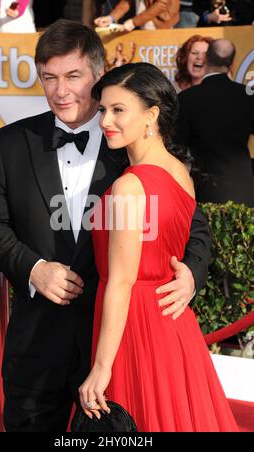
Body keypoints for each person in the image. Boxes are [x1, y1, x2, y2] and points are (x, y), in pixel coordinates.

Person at [0, 19, 211, 432]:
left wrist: (191, 271)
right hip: (36, 345)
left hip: (117, 348)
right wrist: (33, 268)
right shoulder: (11, 143)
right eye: (49, 77)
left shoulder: (130, 143)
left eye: (73, 76)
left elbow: (193, 221)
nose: (60, 91)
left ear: (99, 75)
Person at [78, 62, 239, 432]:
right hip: (172, 324)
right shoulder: (180, 172)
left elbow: (121, 281)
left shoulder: (128, 187)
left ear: (151, 114)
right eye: (103, 109)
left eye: (119, 110)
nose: (105, 120)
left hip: (132, 326)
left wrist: (102, 367)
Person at [177, 39, 254, 206]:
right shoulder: (248, 96)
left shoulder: (186, 99)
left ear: (206, 58)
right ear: (232, 62)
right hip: (244, 187)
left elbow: (178, 147)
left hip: (204, 190)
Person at [95, 0, 180, 31]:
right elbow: (127, 1)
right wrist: (111, 18)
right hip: (143, 23)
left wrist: (134, 22)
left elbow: (161, 4)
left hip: (161, 24)